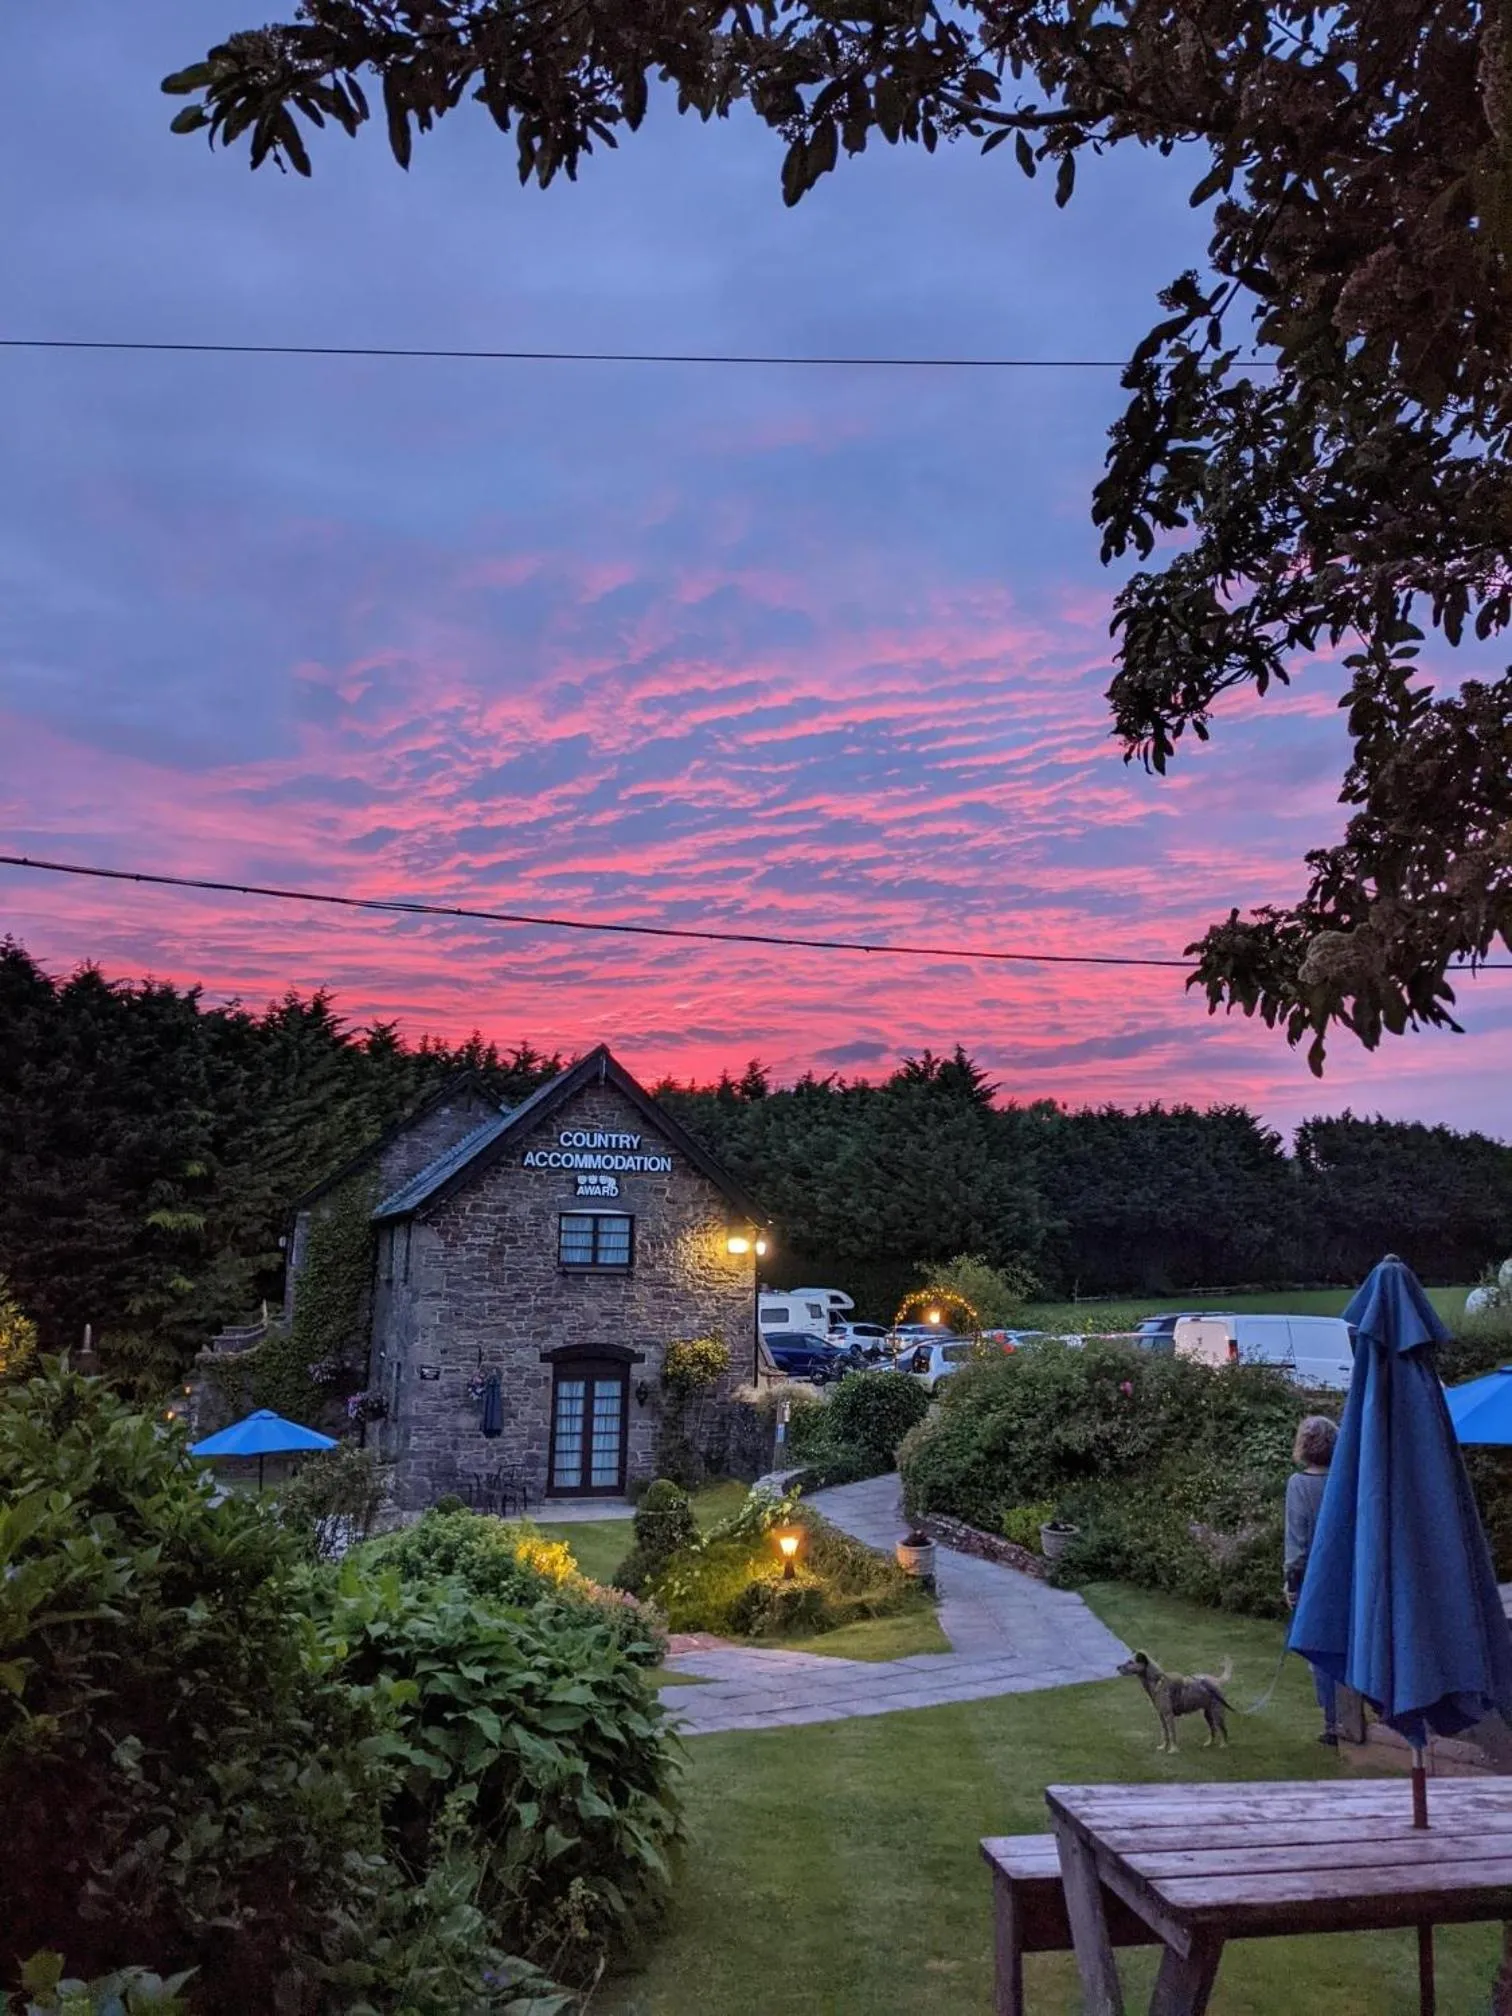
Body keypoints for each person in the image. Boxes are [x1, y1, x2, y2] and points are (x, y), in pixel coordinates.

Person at [1285, 1413, 1341, 1745]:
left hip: (1314, 1580)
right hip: (1348, 1575)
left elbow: (1297, 1541)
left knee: (1320, 1649)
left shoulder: (1299, 1484)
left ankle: (1334, 1725)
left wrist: (1291, 1583)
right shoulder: (1345, 1481)